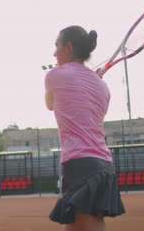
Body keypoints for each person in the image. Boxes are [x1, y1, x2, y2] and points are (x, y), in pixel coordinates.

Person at [45, 25, 125, 231]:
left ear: (69, 47)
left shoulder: (54, 76)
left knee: (80, 225)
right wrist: (92, 79)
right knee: (89, 223)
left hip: (79, 163)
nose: (54, 53)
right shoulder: (103, 87)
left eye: (57, 46)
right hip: (103, 163)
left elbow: (50, 104)